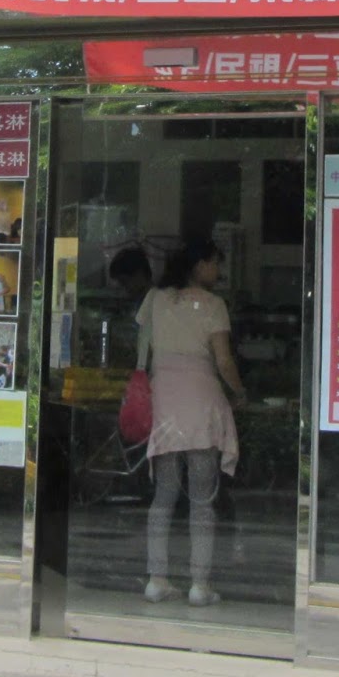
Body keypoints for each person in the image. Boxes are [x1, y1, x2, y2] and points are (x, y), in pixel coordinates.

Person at [138, 239, 247, 608]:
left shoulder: (155, 300)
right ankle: (200, 584)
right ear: (199, 264)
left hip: (165, 400)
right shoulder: (213, 305)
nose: (218, 271)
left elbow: (142, 352)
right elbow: (224, 361)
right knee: (202, 499)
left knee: (163, 495)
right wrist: (239, 392)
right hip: (201, 404)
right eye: (215, 263)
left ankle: (156, 579)